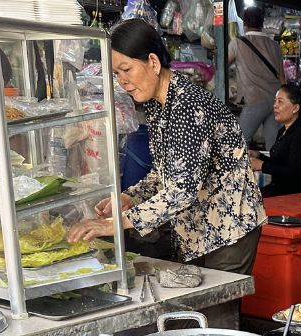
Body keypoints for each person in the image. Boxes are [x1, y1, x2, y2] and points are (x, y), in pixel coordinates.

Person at [67, 19, 264, 275]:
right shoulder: (156, 103)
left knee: (215, 311)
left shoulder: (188, 105)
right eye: (117, 74)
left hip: (229, 227)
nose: (122, 81)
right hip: (195, 229)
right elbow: (166, 172)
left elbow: (182, 190)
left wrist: (114, 224)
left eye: (126, 69)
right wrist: (131, 197)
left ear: (153, 62)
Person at [229, 5, 284, 150]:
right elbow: (282, 79)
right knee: (274, 147)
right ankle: (273, 173)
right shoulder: (274, 45)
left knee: (239, 145)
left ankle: (242, 173)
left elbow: (222, 65)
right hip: (275, 102)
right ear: (262, 23)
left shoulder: (237, 44)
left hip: (254, 101)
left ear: (244, 23)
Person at [251, 83, 301, 197]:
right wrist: (258, 155)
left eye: (280, 102)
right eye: (275, 101)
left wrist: (262, 166)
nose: (275, 106)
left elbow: (295, 172)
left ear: (295, 108)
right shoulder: (283, 131)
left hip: (295, 195)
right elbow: (280, 163)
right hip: (279, 189)